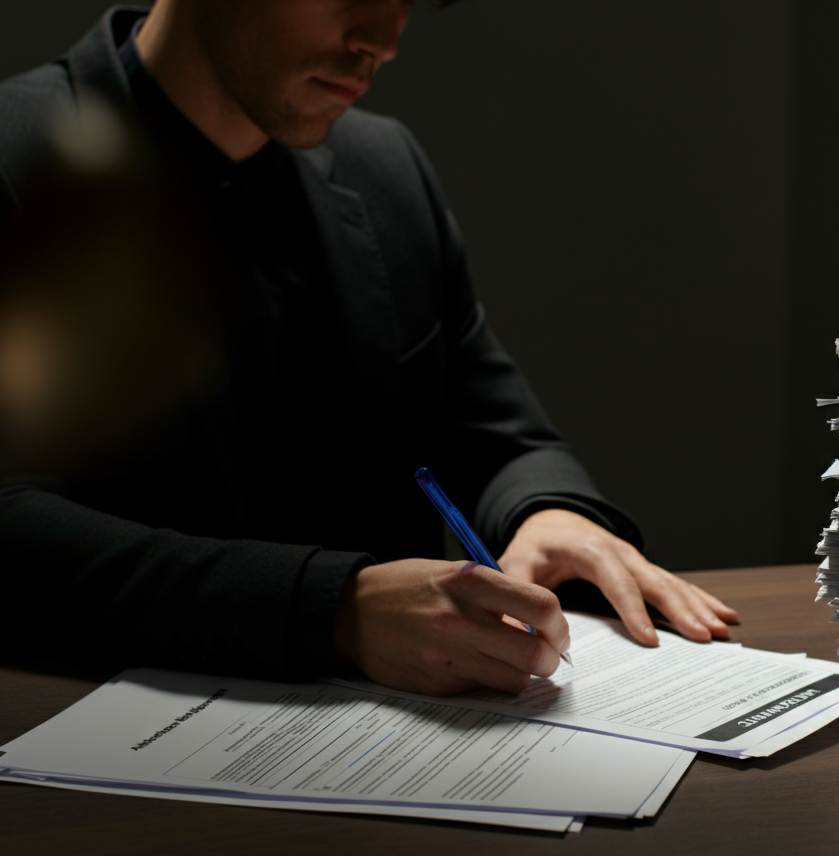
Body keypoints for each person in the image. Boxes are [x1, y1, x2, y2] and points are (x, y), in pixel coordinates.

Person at [0, 0, 737, 695]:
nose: (383, 40)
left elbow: (494, 433)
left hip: (399, 778)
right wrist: (333, 609)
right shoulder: (13, 161)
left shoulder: (382, 167)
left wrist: (546, 514)